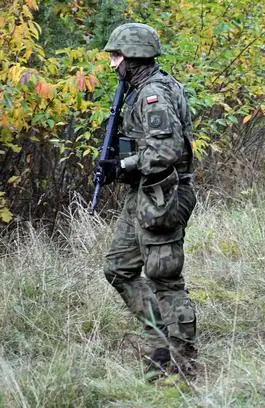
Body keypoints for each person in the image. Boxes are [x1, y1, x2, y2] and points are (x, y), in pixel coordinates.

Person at [100, 22, 198, 378]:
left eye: (116, 56)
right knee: (118, 268)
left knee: (165, 278)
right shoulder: (140, 89)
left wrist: (123, 164)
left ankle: (182, 359)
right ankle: (159, 341)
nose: (113, 64)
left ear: (134, 57)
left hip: (165, 195)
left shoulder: (153, 94)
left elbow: (167, 150)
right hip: (144, 191)